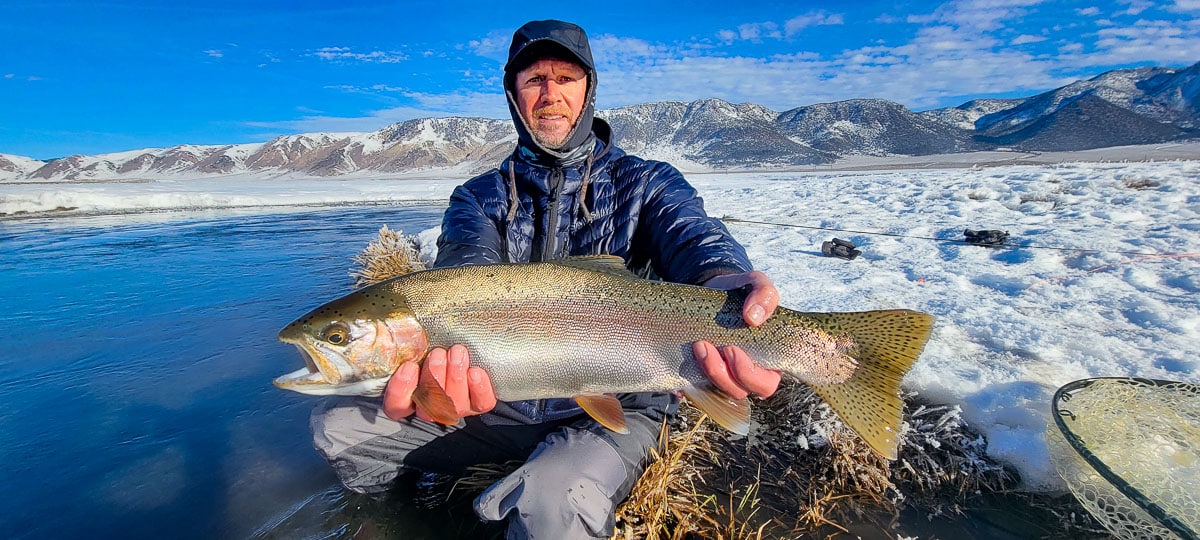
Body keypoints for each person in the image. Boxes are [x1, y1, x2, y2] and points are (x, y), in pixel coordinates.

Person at [311, 19, 782, 539]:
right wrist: (436, 383)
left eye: (565, 78)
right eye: (535, 79)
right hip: (494, 408)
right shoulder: (478, 197)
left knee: (552, 501)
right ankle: (405, 521)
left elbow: (695, 240)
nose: (550, 94)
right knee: (340, 429)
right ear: (514, 93)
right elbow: (463, 274)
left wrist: (729, 279)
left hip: (614, 409)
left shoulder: (649, 183)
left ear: (589, 89)